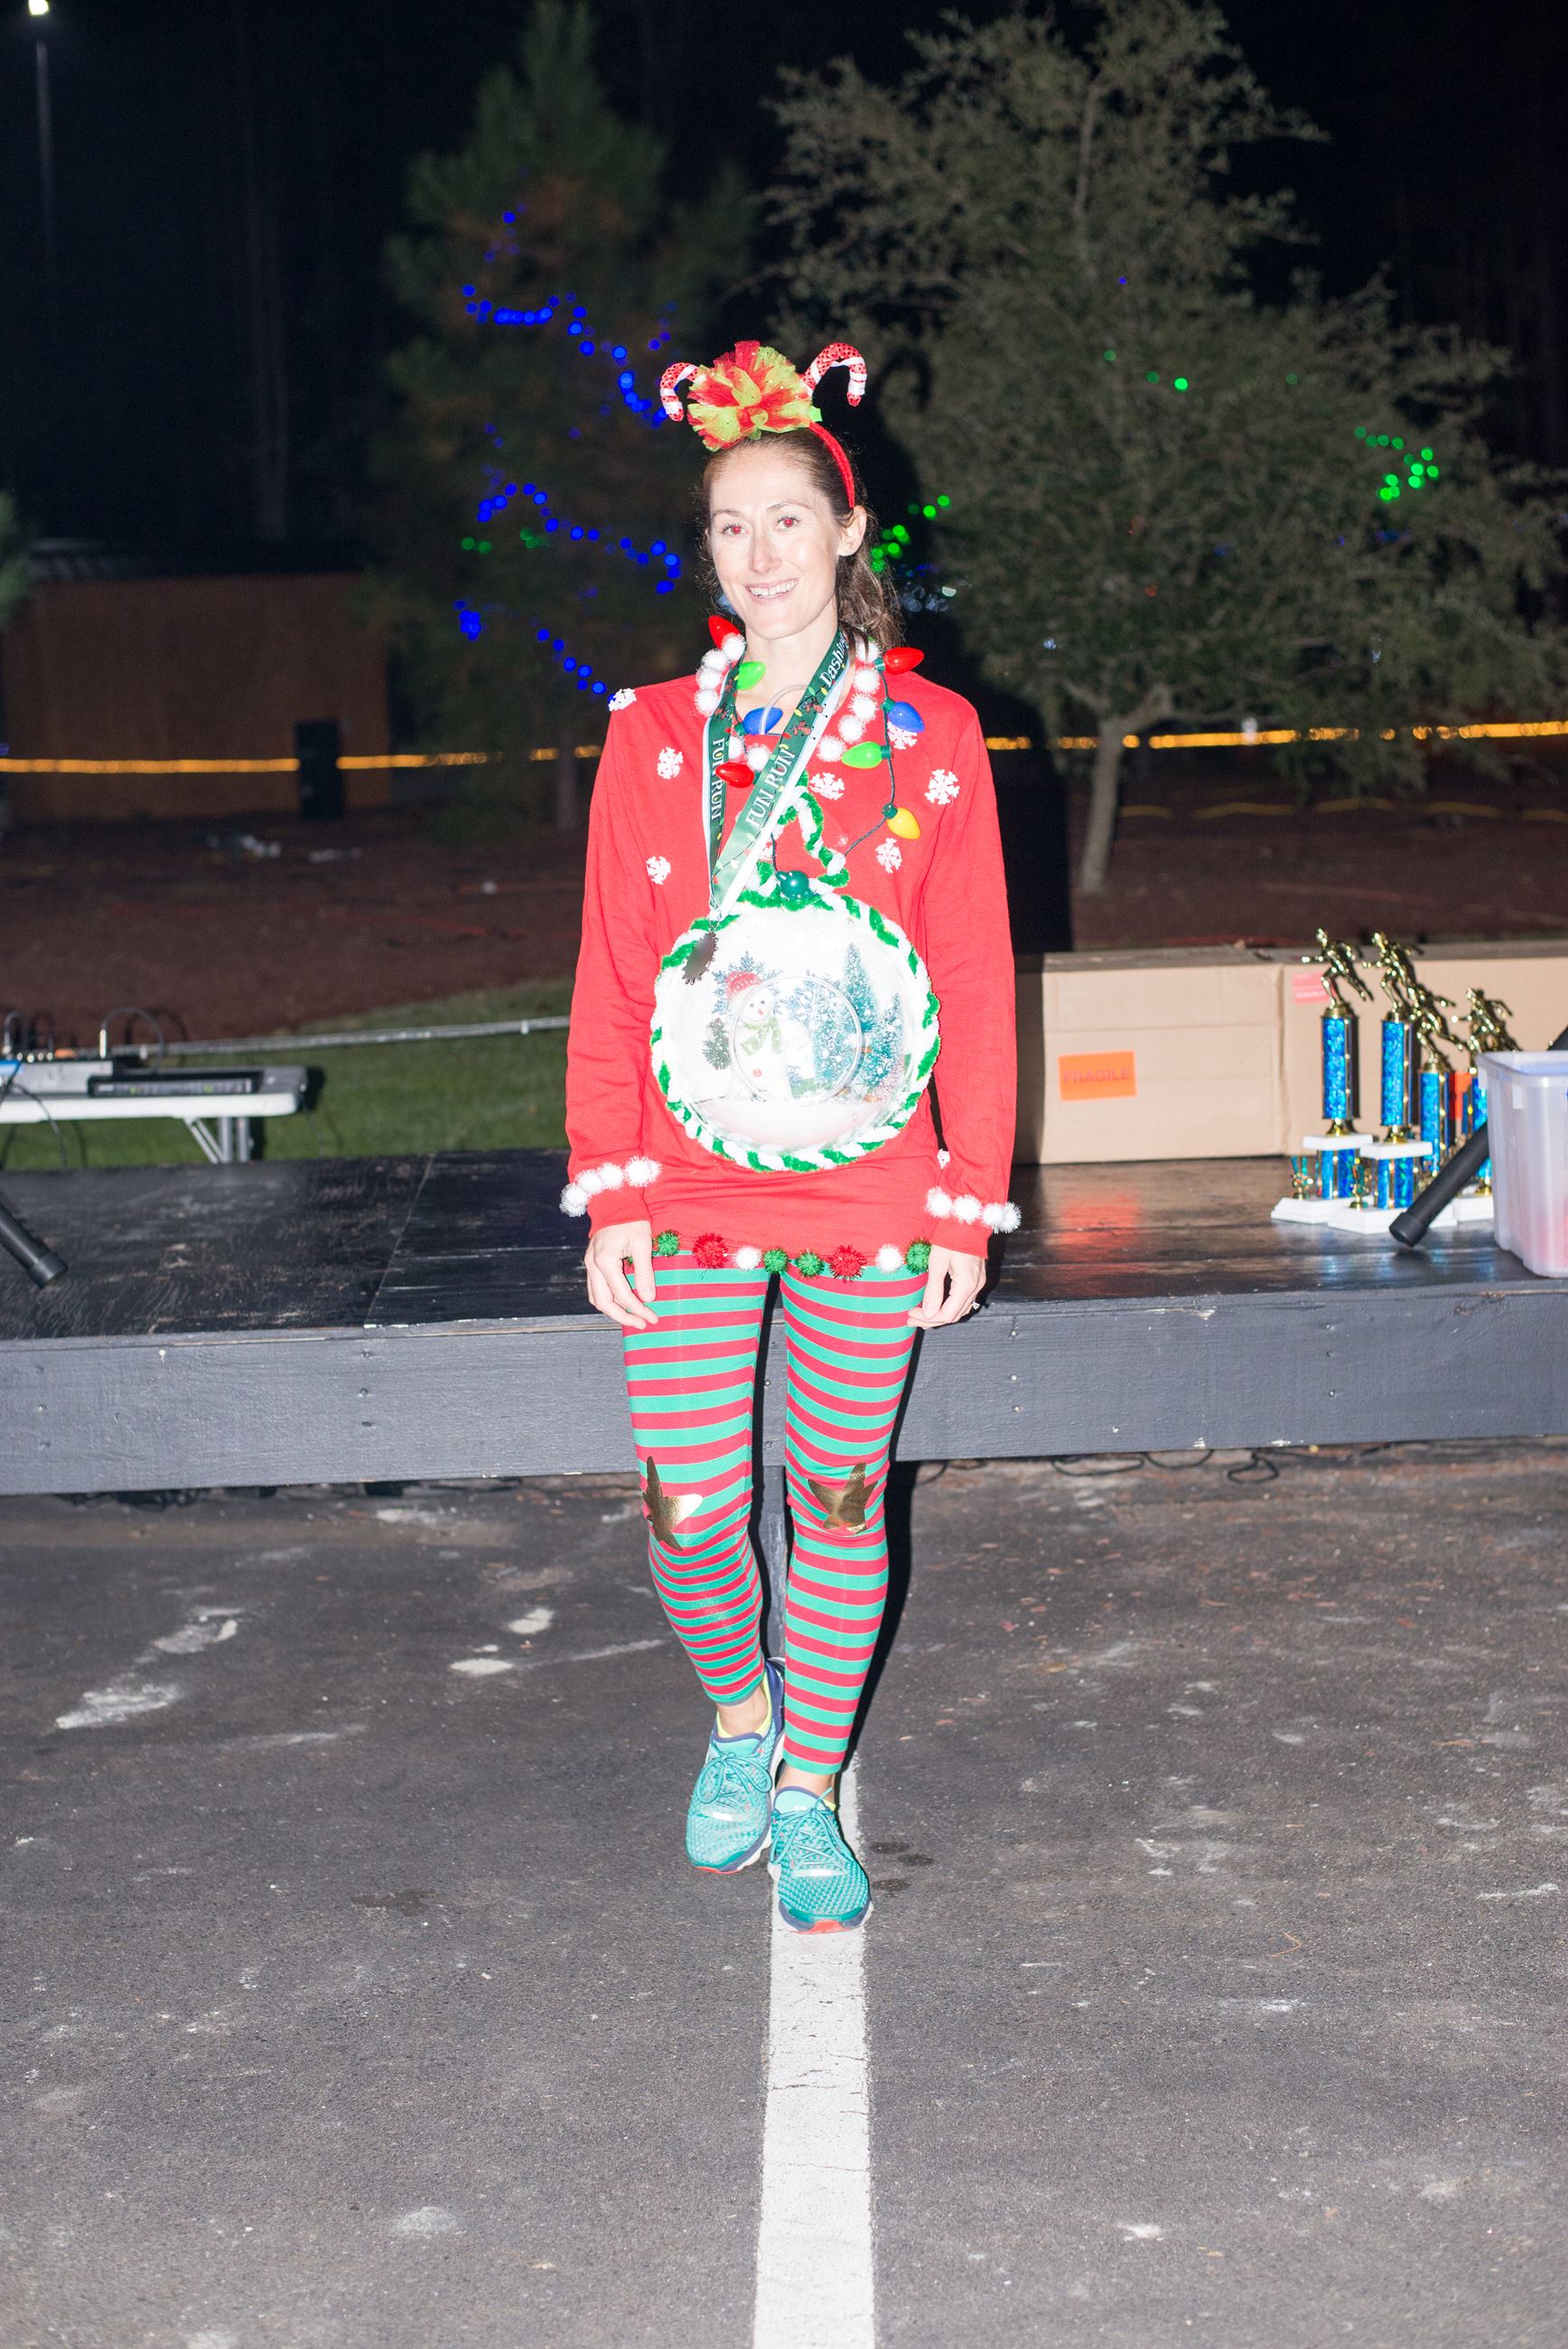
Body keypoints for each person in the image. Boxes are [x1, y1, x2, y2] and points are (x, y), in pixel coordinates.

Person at [564, 340, 1017, 1931]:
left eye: (785, 521)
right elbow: (615, 973)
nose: (757, 555)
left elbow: (974, 977)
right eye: (728, 527)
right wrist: (610, 1187)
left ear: (846, 532)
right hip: (685, 1175)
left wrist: (967, 1197)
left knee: (835, 1497)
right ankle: (741, 1714)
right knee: (689, 1507)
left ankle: (810, 1786)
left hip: (875, 1181)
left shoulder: (934, 735)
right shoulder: (650, 737)